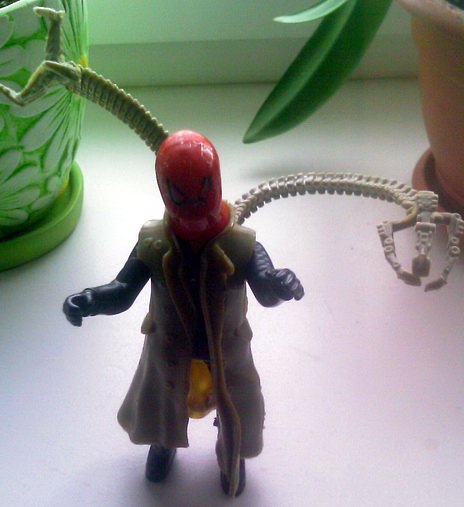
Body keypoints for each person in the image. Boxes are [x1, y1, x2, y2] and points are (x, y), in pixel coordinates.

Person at [63, 130, 304, 497]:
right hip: (170, 349)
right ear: (165, 189)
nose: (193, 201)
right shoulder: (154, 242)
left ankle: (232, 455)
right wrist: (91, 299)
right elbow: (123, 290)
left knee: (236, 409)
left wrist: (279, 284)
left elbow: (265, 289)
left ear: (215, 184)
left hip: (226, 352)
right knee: (163, 405)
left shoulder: (242, 245)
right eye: (180, 192)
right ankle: (164, 444)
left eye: (202, 190)